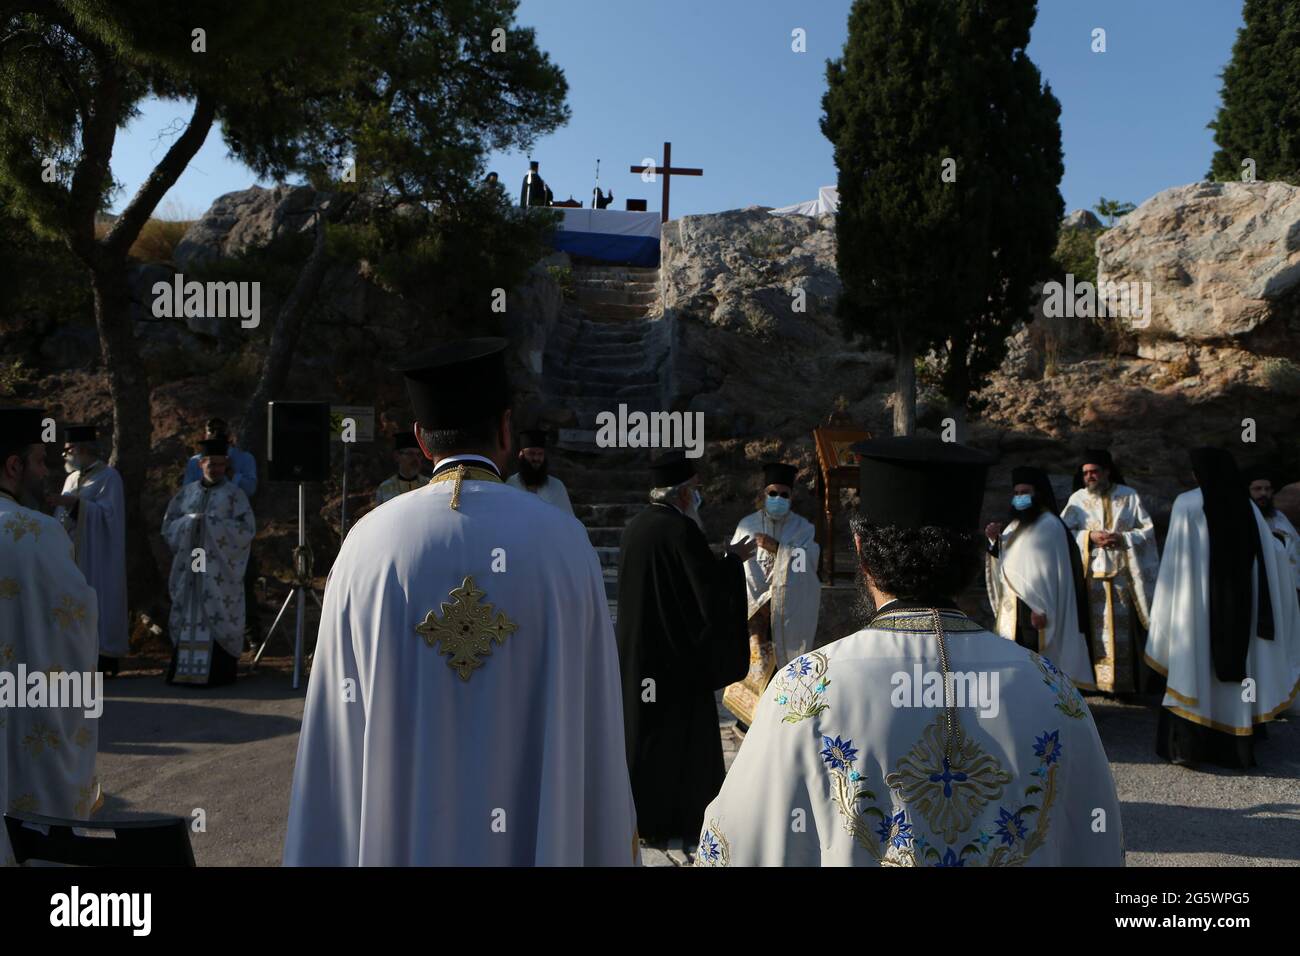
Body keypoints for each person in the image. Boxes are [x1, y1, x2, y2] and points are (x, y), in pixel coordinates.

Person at [284, 338, 636, 865]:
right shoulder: (564, 542)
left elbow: (337, 729)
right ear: (505, 430)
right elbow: (594, 717)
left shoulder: (366, 545)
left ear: (423, 441)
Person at [697, 436, 1125, 867]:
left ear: (861, 551)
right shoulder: (1054, 691)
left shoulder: (802, 691)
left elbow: (738, 843)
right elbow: (1096, 845)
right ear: (975, 558)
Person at [615, 450, 755, 854]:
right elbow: (706, 594)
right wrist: (732, 562)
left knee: (643, 737)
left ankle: (645, 820)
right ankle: (685, 817)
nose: (699, 496)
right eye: (695, 489)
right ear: (681, 494)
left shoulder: (635, 528)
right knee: (680, 742)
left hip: (638, 659)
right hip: (676, 665)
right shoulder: (681, 531)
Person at [1146, 448, 1300, 769]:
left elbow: (1175, 567)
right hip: (1241, 616)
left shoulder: (1187, 505)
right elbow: (1273, 559)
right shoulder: (1247, 507)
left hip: (1197, 614)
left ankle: (1187, 749)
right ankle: (1235, 747)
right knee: (1238, 675)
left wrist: (1167, 611)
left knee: (1196, 668)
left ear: (1198, 474)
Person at [0, 407, 101, 859]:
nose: (48, 472)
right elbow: (73, 629)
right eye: (41, 461)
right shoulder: (37, 533)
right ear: (14, 466)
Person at [723, 461, 822, 728]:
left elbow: (808, 563)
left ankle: (781, 720)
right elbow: (735, 565)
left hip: (786, 610)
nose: (778, 499)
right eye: (772, 493)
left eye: (784, 494)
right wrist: (755, 603)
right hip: (754, 612)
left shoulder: (803, 529)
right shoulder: (747, 524)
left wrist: (778, 548)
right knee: (753, 664)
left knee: (782, 670)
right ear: (763, 495)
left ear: (792, 497)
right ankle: (748, 723)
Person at [985, 465, 1094, 690]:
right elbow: (1006, 559)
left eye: (1025, 492)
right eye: (1016, 494)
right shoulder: (1015, 525)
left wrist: (1040, 607)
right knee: (1015, 655)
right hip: (1013, 607)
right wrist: (995, 540)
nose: (1019, 498)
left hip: (1037, 609)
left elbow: (1051, 574)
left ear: (1038, 493)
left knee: (1036, 660)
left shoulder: (1049, 525)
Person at [1060, 449, 1158, 695]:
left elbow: (1147, 531)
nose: (1090, 477)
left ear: (1107, 472)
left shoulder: (1129, 496)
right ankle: (1095, 684)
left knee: (1126, 629)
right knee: (1095, 629)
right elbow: (1061, 533)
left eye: (1094, 471)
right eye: (1086, 473)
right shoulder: (1077, 500)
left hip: (1124, 577)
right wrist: (1089, 537)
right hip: (1091, 576)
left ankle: (1128, 685)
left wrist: (1123, 538)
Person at [161, 438, 255, 686]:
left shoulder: (235, 495)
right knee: (189, 607)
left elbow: (246, 530)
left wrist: (211, 524)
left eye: (221, 465)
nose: (216, 469)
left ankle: (218, 673)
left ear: (227, 466)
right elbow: (168, 526)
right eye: (211, 464)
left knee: (215, 608)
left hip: (218, 570)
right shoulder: (186, 493)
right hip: (191, 566)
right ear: (201, 464)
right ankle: (183, 670)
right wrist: (190, 522)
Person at [51, 424, 129, 676]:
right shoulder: (71, 478)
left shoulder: (109, 477)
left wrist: (76, 504)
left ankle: (103, 660)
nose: (65, 456)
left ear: (82, 449)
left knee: (98, 602)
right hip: (72, 555)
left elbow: (111, 517)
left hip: (99, 557)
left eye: (68, 450)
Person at [1244, 463, 1300, 599]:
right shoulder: (1243, 519)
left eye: (1267, 489)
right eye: (1257, 489)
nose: (1264, 493)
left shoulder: (1278, 517)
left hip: (1290, 586)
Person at [182, 418, 257, 498]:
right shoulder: (195, 461)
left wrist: (230, 473)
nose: (215, 433)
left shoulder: (245, 458)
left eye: (220, 430)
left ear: (229, 436)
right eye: (212, 430)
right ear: (205, 436)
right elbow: (187, 492)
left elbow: (250, 490)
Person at [505, 429, 573, 514]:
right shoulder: (511, 485)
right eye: (531, 453)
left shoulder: (557, 487)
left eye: (540, 454)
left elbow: (567, 520)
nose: (536, 458)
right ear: (521, 455)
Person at [374, 430, 429, 506]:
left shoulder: (428, 485)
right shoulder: (384, 488)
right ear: (397, 456)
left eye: (418, 455)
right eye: (410, 454)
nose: (416, 459)